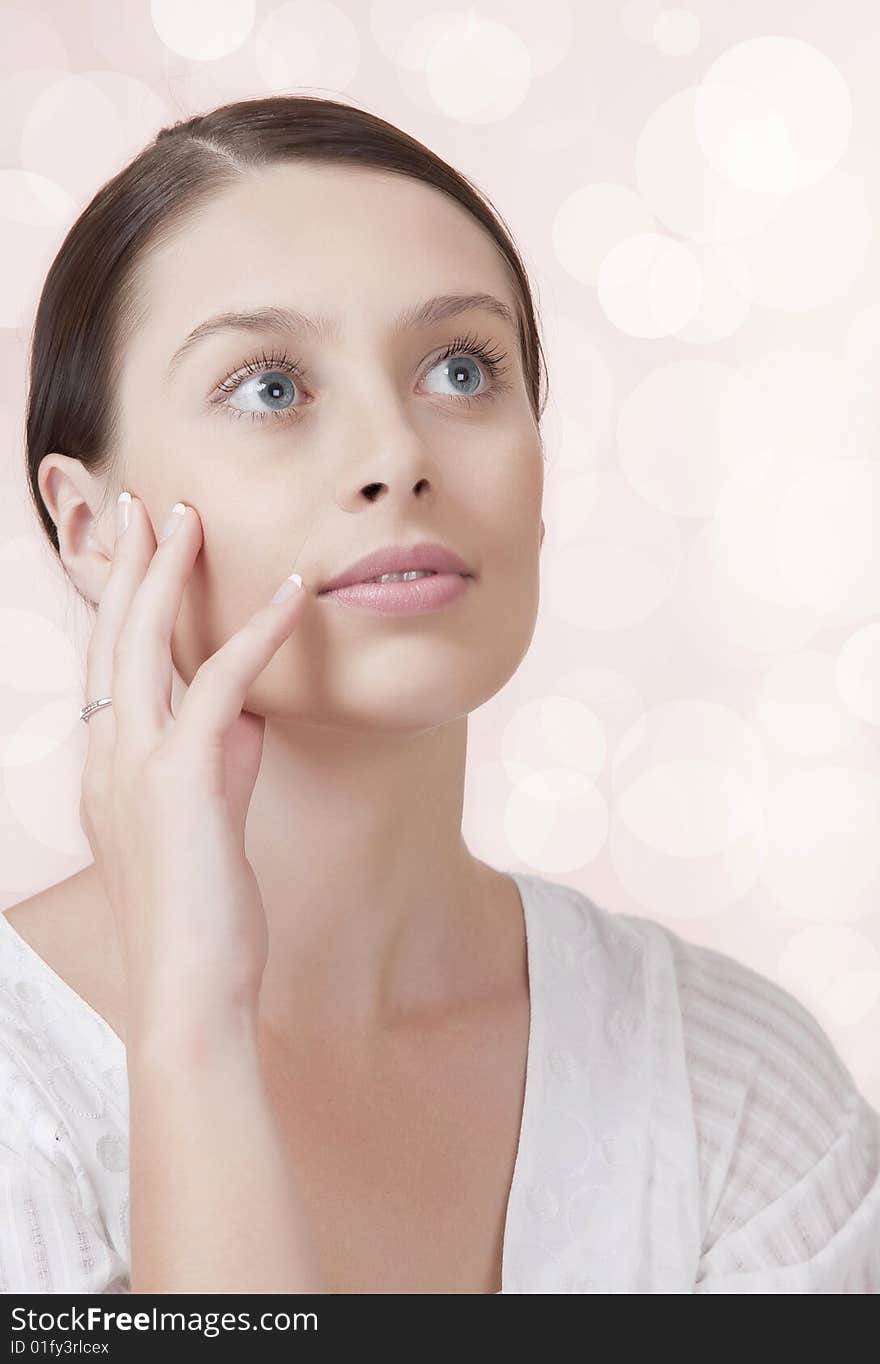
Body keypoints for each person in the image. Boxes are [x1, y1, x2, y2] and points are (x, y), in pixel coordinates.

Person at [1, 95, 878, 1295]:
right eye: (269, 386)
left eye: (462, 367)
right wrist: (192, 1031)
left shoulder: (732, 1091)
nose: (397, 454)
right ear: (94, 529)